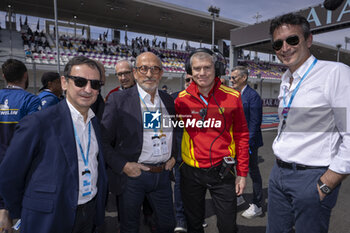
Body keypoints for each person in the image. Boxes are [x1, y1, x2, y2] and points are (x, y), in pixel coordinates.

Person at [0, 56, 108, 233]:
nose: (88, 89)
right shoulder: (38, 122)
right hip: (49, 218)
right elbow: (9, 175)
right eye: (80, 82)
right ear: (64, 83)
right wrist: (28, 211)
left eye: (95, 84)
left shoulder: (95, 123)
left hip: (88, 213)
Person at [267, 13, 350, 233]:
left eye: (292, 40)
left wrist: (327, 183)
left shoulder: (335, 73)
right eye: (278, 44)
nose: (284, 48)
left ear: (308, 40)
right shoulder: (286, 79)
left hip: (312, 177)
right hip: (278, 174)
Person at [175, 48, 249, 233]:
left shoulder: (233, 96)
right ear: (190, 70)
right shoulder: (180, 100)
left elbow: (241, 135)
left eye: (207, 67)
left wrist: (242, 172)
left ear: (216, 68)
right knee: (194, 225)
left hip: (223, 172)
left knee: (228, 226)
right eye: (197, 68)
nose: (202, 73)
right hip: (190, 172)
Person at [102, 51, 176, 233]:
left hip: (163, 175)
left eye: (154, 69)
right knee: (129, 227)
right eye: (143, 69)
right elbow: (102, 141)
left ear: (161, 73)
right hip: (133, 177)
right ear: (135, 73)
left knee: (167, 225)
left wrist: (175, 156)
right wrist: (124, 165)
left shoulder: (168, 100)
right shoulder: (117, 100)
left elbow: (177, 131)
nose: (149, 74)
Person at [0, 59, 41, 232]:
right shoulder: (31, 100)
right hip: (20, 166)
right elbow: (36, 135)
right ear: (25, 75)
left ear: (4, 76)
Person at [230, 66, 264, 219]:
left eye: (234, 78)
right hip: (234, 142)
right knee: (234, 170)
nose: (231, 80)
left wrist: (246, 143)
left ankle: (257, 205)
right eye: (230, 78)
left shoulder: (253, 96)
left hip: (248, 143)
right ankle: (239, 196)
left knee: (252, 172)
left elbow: (255, 123)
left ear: (244, 78)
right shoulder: (234, 95)